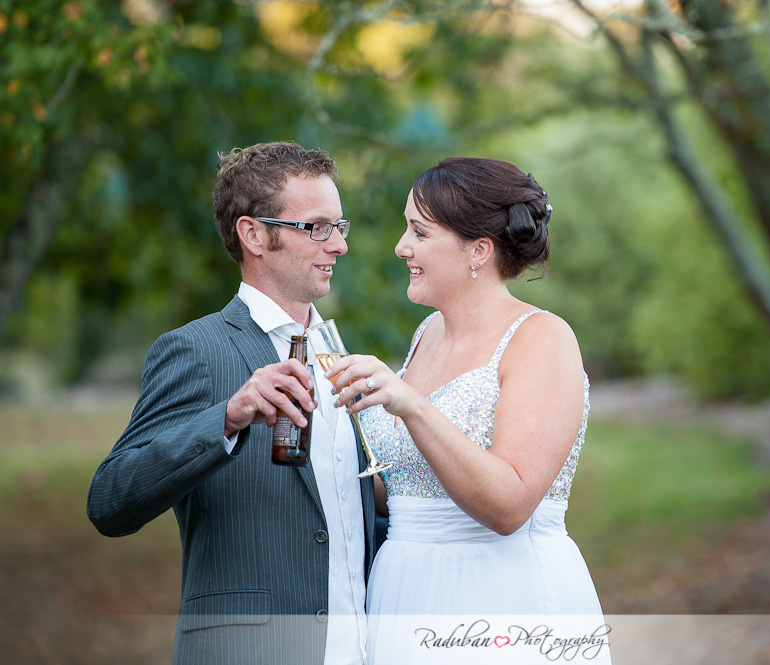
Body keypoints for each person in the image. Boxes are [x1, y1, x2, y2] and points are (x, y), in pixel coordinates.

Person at [87, 141, 377, 665]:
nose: (339, 246)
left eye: (340, 226)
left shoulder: (341, 355)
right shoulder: (195, 350)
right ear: (253, 235)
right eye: (316, 227)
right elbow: (110, 502)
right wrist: (227, 417)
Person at [327, 158, 611, 664]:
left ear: (478, 250)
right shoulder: (425, 336)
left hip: (501, 600)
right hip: (402, 596)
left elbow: (509, 505)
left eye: (419, 231)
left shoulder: (542, 339)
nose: (401, 246)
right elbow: (405, 488)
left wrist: (409, 404)